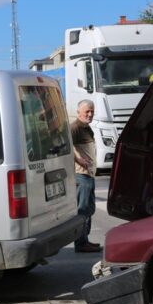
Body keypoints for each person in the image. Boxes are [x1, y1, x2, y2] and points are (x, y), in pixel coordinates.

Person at [70, 99, 101, 253]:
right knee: (82, 210)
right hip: (81, 175)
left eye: (92, 111)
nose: (90, 114)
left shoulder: (87, 128)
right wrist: (79, 160)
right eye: (87, 111)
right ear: (79, 112)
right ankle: (81, 243)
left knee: (90, 208)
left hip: (89, 175)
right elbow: (66, 146)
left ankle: (85, 240)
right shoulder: (74, 127)